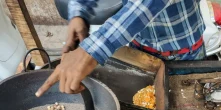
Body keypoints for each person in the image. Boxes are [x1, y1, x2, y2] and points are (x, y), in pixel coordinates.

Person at [36, 0, 205, 97]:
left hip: (184, 54)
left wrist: (91, 51)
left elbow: (149, 4)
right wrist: (78, 12)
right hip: (139, 47)